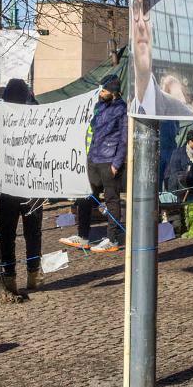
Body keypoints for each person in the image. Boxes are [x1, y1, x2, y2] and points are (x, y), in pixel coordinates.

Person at [61, 74, 127, 253]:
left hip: (109, 162)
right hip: (94, 160)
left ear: (113, 92)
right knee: (86, 196)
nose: (101, 92)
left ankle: (112, 240)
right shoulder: (98, 106)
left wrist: (116, 163)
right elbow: (92, 129)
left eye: (104, 90)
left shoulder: (121, 109)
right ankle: (83, 237)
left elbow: (124, 138)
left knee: (112, 200)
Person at [0, 78, 45, 294]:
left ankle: (9, 276)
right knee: (33, 233)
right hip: (32, 183)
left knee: (7, 233)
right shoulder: (37, 116)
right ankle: (33, 273)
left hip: (7, 185)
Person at [129, 0, 192, 117]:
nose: (141, 23)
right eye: (136, 8)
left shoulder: (181, 112)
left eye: (147, 9)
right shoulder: (125, 110)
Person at [162, 126, 193, 198]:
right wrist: (189, 174)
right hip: (178, 189)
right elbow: (175, 173)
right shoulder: (178, 153)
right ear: (190, 142)